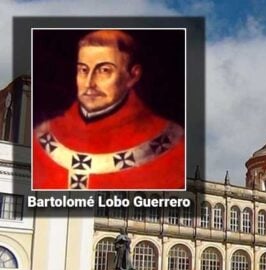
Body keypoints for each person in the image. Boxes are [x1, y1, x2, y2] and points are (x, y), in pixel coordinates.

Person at [32, 30, 185, 190]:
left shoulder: (174, 147)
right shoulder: (42, 137)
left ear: (133, 76)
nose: (89, 83)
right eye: (83, 70)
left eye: (104, 70)